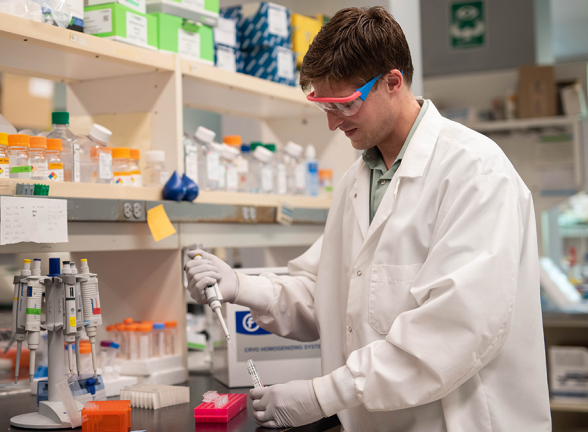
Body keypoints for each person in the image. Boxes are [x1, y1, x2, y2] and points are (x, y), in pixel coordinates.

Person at [185, 6, 551, 432]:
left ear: (393, 82)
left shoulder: (474, 171)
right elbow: (330, 292)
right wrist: (241, 286)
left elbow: (456, 328)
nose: (330, 123)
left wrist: (323, 395)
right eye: (322, 104)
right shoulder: (359, 179)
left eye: (342, 104)